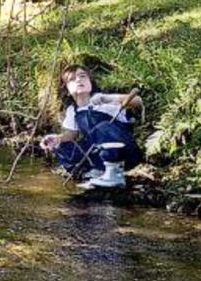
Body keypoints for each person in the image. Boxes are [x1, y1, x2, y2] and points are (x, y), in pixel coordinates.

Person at [39, 63, 144, 191]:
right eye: (72, 79)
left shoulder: (105, 102)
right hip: (97, 155)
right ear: (66, 89)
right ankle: (93, 173)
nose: (78, 80)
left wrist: (107, 98)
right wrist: (56, 139)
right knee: (59, 145)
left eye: (82, 76)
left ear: (91, 82)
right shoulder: (73, 110)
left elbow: (138, 101)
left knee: (103, 127)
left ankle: (115, 174)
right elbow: (72, 135)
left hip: (125, 153)